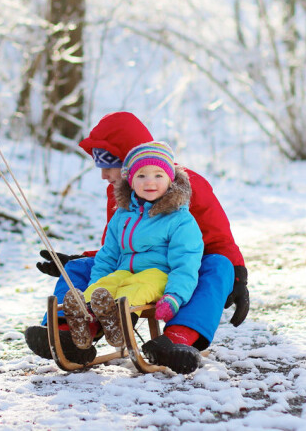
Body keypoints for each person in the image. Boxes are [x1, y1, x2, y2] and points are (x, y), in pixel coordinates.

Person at [24, 112, 249, 374]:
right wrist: (78, 259)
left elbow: (217, 237)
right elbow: (121, 247)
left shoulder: (190, 185)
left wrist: (238, 276)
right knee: (77, 269)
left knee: (220, 266)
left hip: (177, 268)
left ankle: (179, 339)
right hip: (131, 268)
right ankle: (69, 333)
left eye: (109, 165)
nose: (104, 175)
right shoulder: (122, 195)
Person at [61, 142, 204, 353]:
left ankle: (118, 321)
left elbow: (186, 262)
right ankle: (88, 322)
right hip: (124, 272)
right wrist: (97, 284)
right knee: (106, 285)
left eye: (158, 175)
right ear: (130, 180)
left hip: (159, 276)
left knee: (137, 287)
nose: (150, 182)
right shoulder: (122, 214)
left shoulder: (180, 219)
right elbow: (108, 255)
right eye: (141, 176)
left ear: (171, 179)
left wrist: (174, 296)